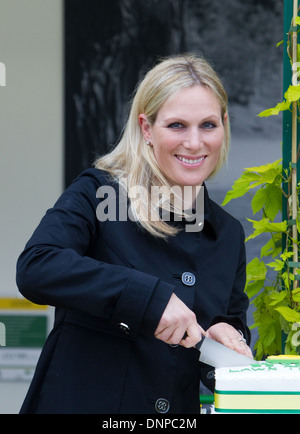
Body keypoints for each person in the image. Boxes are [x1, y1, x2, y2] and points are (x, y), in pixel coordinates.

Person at [16, 53, 252, 414]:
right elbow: (37, 266)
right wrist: (149, 300)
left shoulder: (228, 234)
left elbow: (224, 321)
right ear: (146, 129)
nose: (194, 143)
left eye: (208, 125)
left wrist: (226, 337)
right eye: (176, 125)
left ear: (224, 126)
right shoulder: (99, 193)